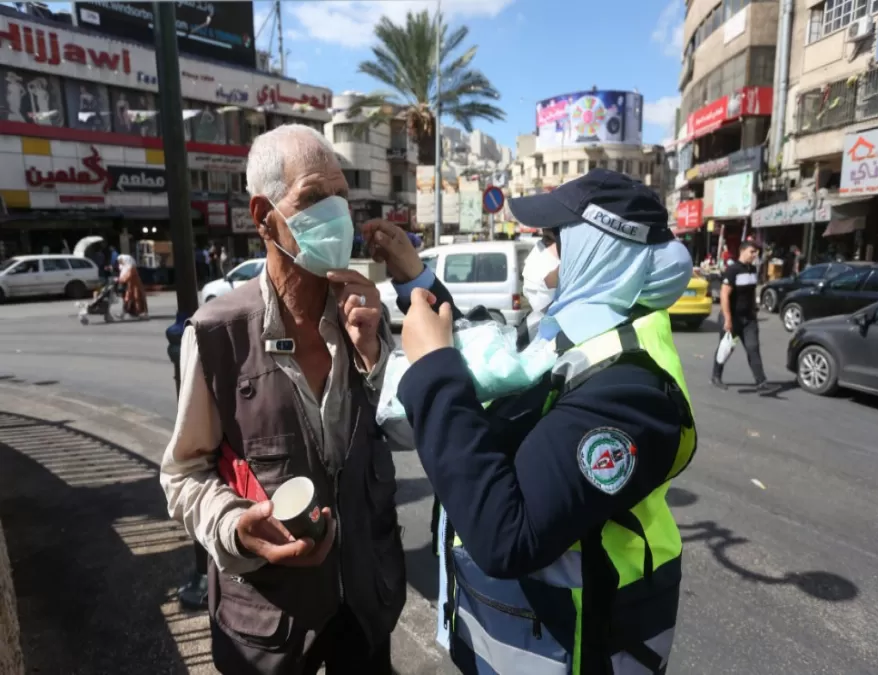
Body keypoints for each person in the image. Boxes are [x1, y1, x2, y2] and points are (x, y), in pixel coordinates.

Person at [368, 169, 699, 674]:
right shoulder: (582, 328)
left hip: (575, 650)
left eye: (552, 241)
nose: (540, 256)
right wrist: (418, 280)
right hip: (519, 640)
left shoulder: (630, 392)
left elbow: (506, 537)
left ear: (600, 253)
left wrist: (433, 369)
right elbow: (500, 362)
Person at [159, 124, 408, 675]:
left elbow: (404, 430)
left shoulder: (366, 316)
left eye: (342, 197)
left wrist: (374, 356)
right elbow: (184, 474)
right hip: (268, 625)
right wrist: (235, 526)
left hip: (366, 605)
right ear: (263, 216)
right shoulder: (216, 333)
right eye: (315, 198)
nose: (337, 214)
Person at [711, 240, 777, 394]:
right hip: (733, 319)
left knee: (753, 348)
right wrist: (727, 319)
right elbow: (724, 295)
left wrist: (754, 308)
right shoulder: (733, 270)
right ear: (743, 251)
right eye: (752, 252)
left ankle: (761, 382)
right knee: (727, 348)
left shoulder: (752, 269)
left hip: (749, 320)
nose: (754, 255)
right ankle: (716, 376)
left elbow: (751, 292)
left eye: (756, 253)